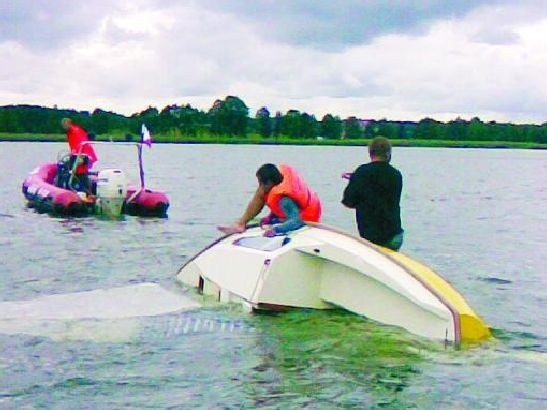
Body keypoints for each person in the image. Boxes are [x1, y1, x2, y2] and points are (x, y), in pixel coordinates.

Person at [218, 163, 322, 237]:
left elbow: (296, 220)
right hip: (293, 209)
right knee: (262, 193)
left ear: (270, 183)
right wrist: (270, 217)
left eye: (262, 184)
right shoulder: (277, 185)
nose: (260, 187)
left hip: (307, 214)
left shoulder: (284, 200)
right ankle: (240, 223)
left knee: (264, 194)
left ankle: (240, 224)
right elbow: (276, 206)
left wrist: (276, 230)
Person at [342, 136, 404, 250]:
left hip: (373, 237)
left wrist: (355, 180)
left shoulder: (362, 172)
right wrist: (358, 179)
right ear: (388, 153)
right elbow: (381, 190)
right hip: (395, 235)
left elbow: (348, 201)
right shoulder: (396, 175)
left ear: (370, 153)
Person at [61, 118, 98, 192]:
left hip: (82, 155)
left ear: (69, 123)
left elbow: (80, 143)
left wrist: (79, 155)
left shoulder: (75, 131)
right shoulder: (73, 131)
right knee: (76, 173)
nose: (63, 126)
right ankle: (82, 190)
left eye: (65, 124)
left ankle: (85, 192)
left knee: (80, 173)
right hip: (80, 154)